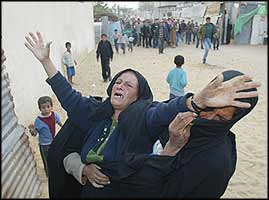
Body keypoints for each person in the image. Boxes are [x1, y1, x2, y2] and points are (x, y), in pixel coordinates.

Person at [24, 32, 260, 198]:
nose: (120, 86)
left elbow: (164, 112)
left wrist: (195, 103)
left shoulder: (143, 118)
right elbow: (68, 96)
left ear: (139, 97)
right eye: (119, 81)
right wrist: (46, 62)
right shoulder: (95, 113)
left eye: (129, 85)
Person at [28, 96, 62, 177]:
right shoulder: (38, 120)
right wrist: (32, 131)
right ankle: (49, 174)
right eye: (43, 107)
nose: (46, 109)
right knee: (47, 160)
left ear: (51, 107)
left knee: (53, 156)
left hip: (53, 141)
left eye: (48, 106)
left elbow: (60, 123)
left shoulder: (54, 115)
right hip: (44, 144)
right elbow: (35, 134)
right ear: (40, 109)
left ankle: (53, 171)